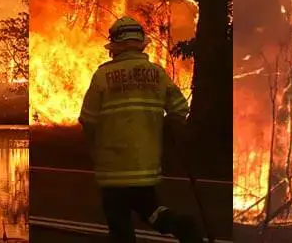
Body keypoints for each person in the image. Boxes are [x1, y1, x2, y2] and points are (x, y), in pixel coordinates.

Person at [79, 16, 204, 243]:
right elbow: (179, 110)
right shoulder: (157, 73)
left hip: (112, 168)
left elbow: (87, 119)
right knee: (152, 210)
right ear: (140, 43)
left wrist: (94, 150)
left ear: (115, 46)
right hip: (145, 165)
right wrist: (164, 132)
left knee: (119, 226)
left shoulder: (102, 76)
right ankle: (177, 224)